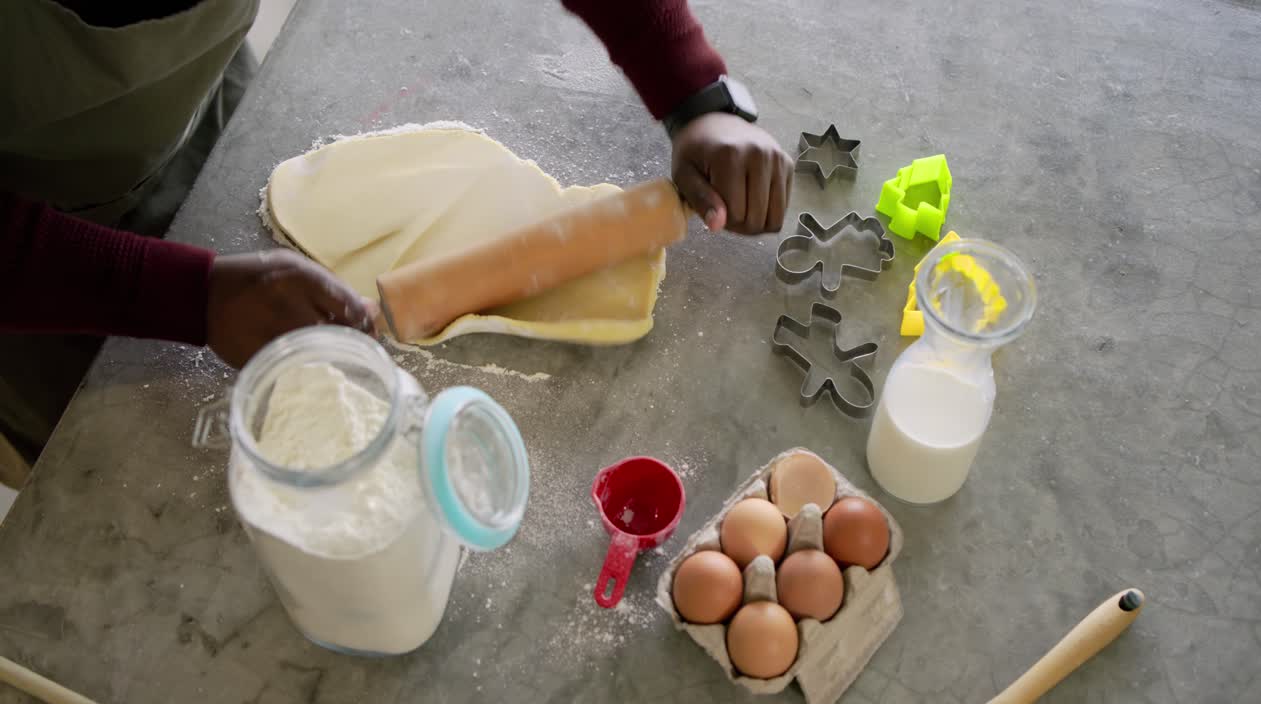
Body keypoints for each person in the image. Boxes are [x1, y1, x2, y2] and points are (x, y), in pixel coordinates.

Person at [0, 0, 795, 486]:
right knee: (126, 484)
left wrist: (696, 92)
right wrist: (179, 293)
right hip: (44, 275)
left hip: (206, 112)